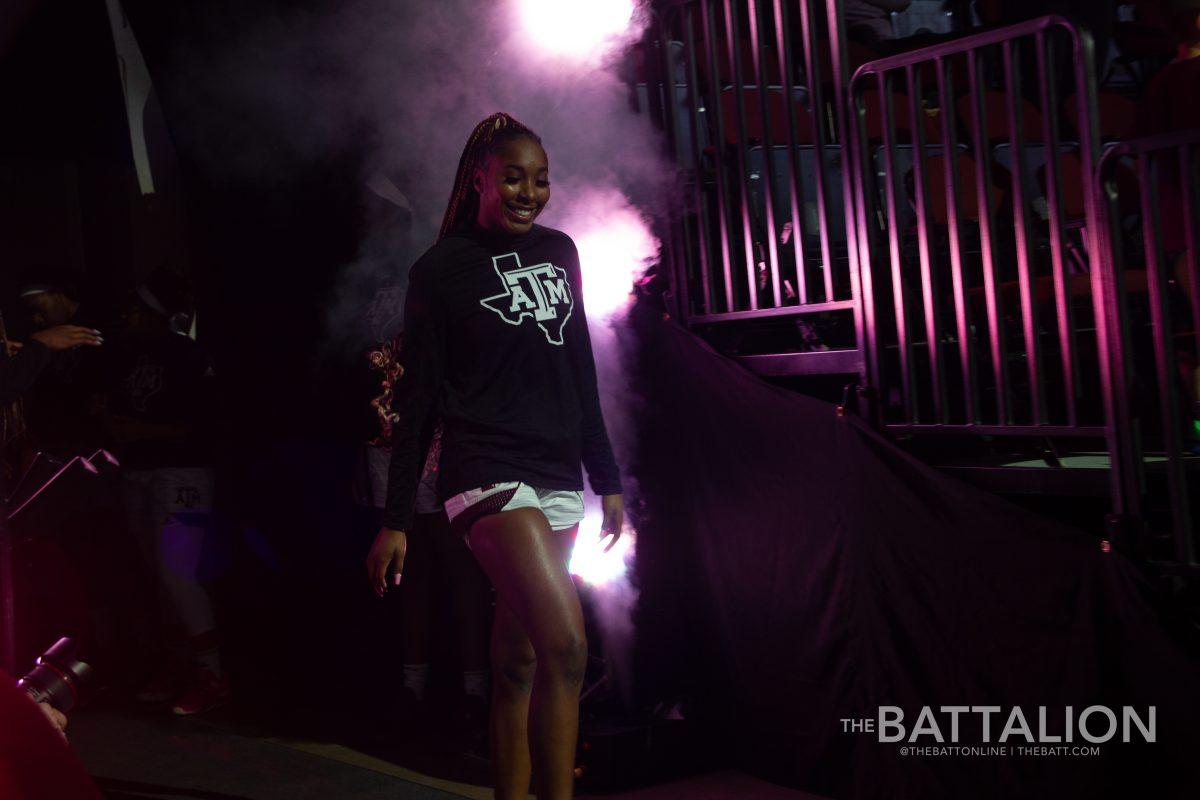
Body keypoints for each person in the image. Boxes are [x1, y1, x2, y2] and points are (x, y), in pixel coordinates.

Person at [366, 112, 624, 800]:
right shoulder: (440, 270)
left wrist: (608, 478)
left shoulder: (561, 251)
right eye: (512, 177)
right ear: (479, 178)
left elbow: (579, 369)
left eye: (540, 179)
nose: (528, 191)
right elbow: (417, 403)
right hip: (484, 472)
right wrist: (396, 520)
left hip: (556, 470)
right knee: (567, 649)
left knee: (518, 665)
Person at [100, 268, 226, 715]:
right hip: (139, 473)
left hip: (182, 476)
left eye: (137, 308)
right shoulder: (127, 355)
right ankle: (180, 666)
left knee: (178, 572)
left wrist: (145, 430)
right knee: (160, 574)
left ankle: (212, 676)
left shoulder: (188, 355)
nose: (128, 314)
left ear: (157, 313)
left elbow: (206, 427)